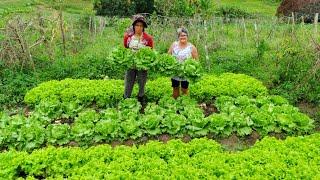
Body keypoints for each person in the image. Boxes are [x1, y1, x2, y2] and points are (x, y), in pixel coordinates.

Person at [123, 14, 154, 103]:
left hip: (142, 66)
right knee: (128, 82)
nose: (139, 27)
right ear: (133, 26)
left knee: (142, 82)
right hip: (130, 65)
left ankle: (140, 98)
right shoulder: (128, 37)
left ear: (143, 27)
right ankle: (126, 98)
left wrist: (146, 62)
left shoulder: (148, 39)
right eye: (137, 25)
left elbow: (151, 52)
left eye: (141, 25)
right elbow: (125, 48)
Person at [168, 27, 199, 99]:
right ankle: (176, 103)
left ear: (187, 36)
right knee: (175, 88)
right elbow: (168, 56)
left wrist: (193, 71)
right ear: (178, 37)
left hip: (186, 73)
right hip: (175, 72)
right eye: (180, 35)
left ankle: (185, 104)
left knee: (184, 89)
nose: (182, 37)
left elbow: (197, 61)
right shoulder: (174, 45)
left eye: (184, 35)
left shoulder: (191, 47)